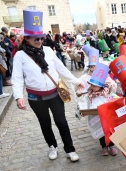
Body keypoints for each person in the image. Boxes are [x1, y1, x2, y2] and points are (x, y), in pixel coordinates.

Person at [12, 9, 85, 162]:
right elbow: (17, 77)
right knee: (45, 123)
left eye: (40, 38)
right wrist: (18, 96)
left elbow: (62, 69)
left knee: (61, 122)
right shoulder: (20, 56)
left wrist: (76, 81)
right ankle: (52, 146)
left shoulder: (48, 51)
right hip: (35, 97)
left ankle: (70, 149)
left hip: (54, 94)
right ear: (27, 39)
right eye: (35, 39)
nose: (39, 41)